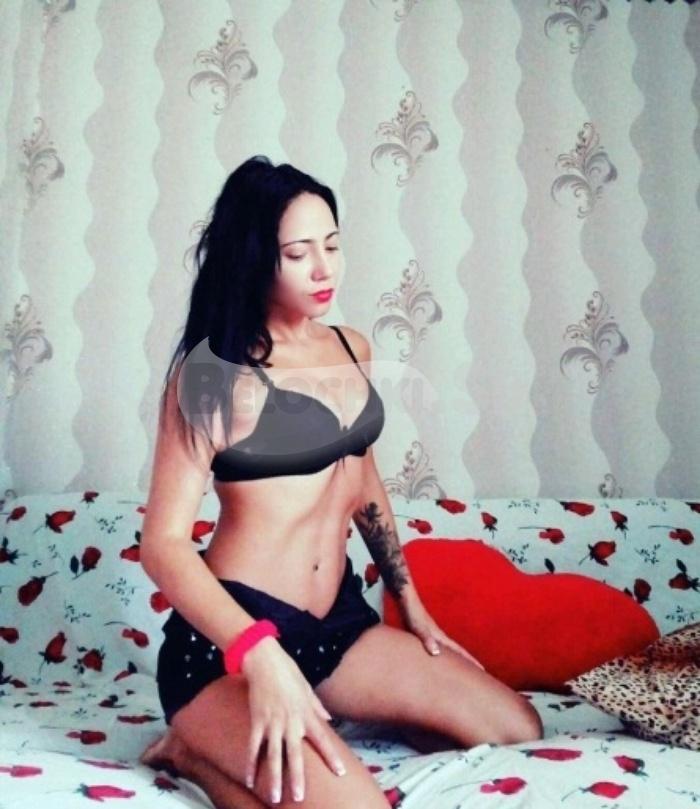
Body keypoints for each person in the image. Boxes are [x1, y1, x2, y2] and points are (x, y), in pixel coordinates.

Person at [138, 155, 543, 809]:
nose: (324, 268)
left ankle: (310, 705)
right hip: (235, 643)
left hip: (337, 626)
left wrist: (409, 600)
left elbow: (362, 481)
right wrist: (258, 652)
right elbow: (163, 545)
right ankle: (191, 751)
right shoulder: (212, 377)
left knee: (517, 727)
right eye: (299, 253)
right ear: (253, 259)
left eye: (331, 245)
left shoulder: (351, 348)